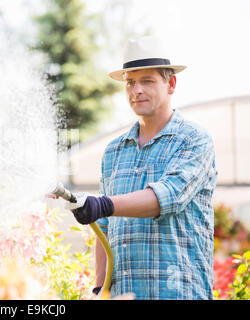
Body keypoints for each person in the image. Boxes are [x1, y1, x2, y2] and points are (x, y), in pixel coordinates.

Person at [66, 36, 218, 300]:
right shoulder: (114, 151)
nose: (136, 90)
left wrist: (103, 204)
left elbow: (166, 197)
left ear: (171, 84)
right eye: (130, 82)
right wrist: (100, 289)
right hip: (125, 295)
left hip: (179, 293)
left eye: (147, 81)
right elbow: (104, 227)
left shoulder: (194, 140)